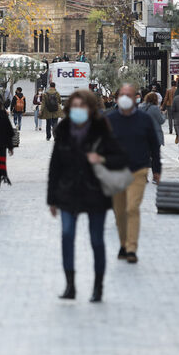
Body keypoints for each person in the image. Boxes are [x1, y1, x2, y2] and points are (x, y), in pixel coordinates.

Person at [48, 89, 128, 302]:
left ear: (91, 109)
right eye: (74, 106)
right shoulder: (63, 129)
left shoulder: (101, 129)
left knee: (96, 239)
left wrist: (101, 159)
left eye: (82, 106)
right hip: (68, 191)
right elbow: (54, 165)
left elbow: (120, 158)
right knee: (67, 235)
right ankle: (70, 285)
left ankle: (98, 286)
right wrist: (51, 198)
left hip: (95, 193)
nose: (78, 110)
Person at [106, 84, 162, 264]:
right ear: (117, 98)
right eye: (122, 94)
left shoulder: (144, 120)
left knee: (132, 208)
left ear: (136, 98)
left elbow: (154, 145)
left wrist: (157, 169)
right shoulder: (110, 119)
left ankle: (131, 248)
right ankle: (123, 244)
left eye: (129, 95)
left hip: (138, 169)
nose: (125, 98)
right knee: (119, 212)